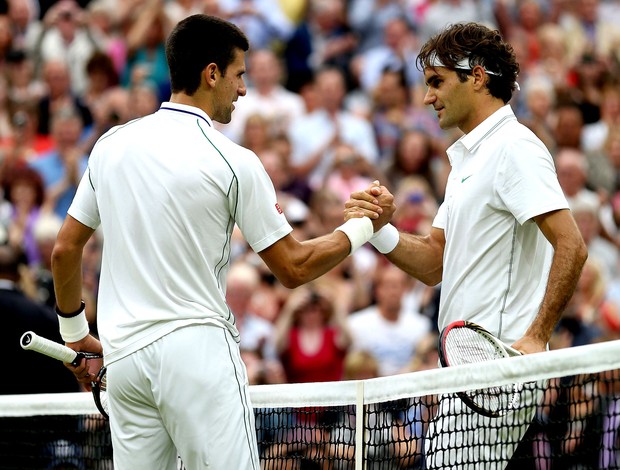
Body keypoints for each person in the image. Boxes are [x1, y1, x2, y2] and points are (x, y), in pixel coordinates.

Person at [50, 14, 394, 470]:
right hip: (197, 354)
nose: (244, 90)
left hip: (125, 363)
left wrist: (74, 337)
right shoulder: (234, 160)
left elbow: (64, 250)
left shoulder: (111, 145)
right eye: (239, 75)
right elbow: (293, 267)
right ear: (212, 73)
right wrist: (364, 226)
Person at [345, 22, 588, 469]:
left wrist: (536, 336)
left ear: (476, 76)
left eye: (436, 82)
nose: (426, 97)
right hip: (464, 371)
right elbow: (436, 262)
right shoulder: (466, 162)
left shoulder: (515, 147)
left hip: (495, 372)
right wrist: (380, 229)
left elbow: (571, 245)